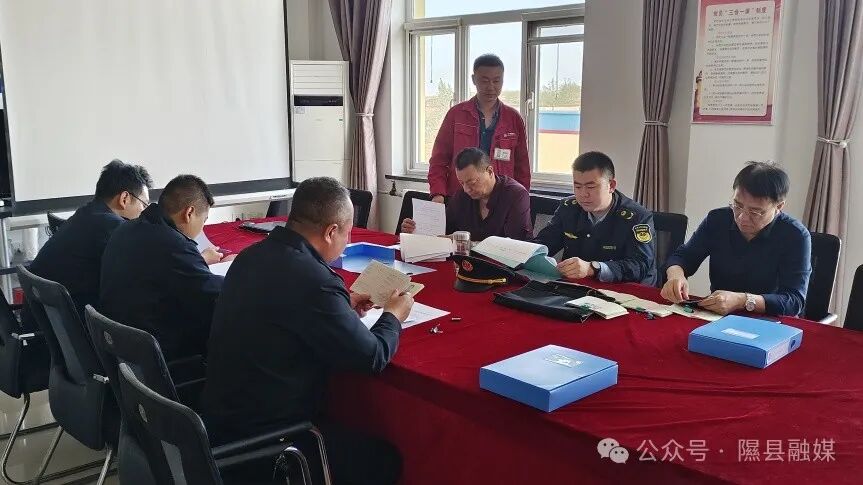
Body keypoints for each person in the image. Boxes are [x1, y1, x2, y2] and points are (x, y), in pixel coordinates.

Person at [203, 177, 410, 485]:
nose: (346, 240)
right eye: (347, 233)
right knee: (383, 459)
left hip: (221, 423)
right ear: (331, 232)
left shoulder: (251, 256)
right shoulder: (315, 280)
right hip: (270, 442)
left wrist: (340, 306)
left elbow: (285, 310)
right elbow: (372, 357)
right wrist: (393, 316)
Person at [100, 175, 230, 361]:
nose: (202, 228)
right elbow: (215, 293)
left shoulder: (126, 229)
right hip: (157, 356)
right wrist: (242, 271)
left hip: (122, 350)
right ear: (189, 213)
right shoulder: (174, 245)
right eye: (203, 220)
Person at [661, 162, 811, 316]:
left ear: (779, 206)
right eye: (737, 205)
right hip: (717, 316)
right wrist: (675, 276)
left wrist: (742, 300)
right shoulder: (718, 220)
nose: (742, 217)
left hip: (769, 320)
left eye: (755, 212)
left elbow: (794, 300)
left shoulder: (795, 236)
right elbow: (684, 257)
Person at [28, 160, 152, 318]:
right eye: (144, 205)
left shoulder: (86, 213)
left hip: (44, 320)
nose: (144, 212)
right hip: (67, 323)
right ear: (124, 198)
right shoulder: (112, 227)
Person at [534, 151, 657, 285]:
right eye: (577, 186)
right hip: (576, 286)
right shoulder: (568, 208)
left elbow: (640, 265)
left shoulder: (636, 217)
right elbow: (544, 243)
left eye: (591, 187)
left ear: (611, 186)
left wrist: (593, 268)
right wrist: (524, 251)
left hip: (623, 289)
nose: (583, 194)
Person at [428, 54, 530, 200]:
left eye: (496, 81)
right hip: (461, 197)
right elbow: (439, 159)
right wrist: (438, 193)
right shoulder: (456, 115)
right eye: (484, 81)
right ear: (474, 79)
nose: (491, 87)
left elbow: (522, 168)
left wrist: (521, 198)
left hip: (501, 199)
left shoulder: (513, 118)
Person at [401, 148, 532, 241]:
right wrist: (415, 228)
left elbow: (514, 246)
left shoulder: (516, 195)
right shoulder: (462, 196)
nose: (467, 189)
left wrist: (465, 243)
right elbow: (443, 230)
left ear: (490, 171)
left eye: (472, 182)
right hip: (467, 264)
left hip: (507, 267)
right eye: (462, 183)